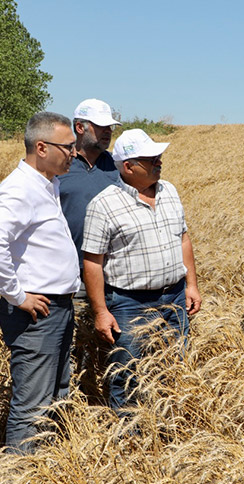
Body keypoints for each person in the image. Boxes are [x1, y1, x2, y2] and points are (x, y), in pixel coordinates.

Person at [0, 111, 82, 454]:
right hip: (37, 313)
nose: (75, 153)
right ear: (41, 147)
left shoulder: (47, 184)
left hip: (56, 307)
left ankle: (45, 467)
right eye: (68, 147)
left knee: (55, 395)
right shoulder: (20, 189)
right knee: (33, 404)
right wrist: (18, 296)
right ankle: (19, 475)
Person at [81, 129, 202, 411]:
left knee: (174, 370)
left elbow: (183, 239)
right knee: (127, 377)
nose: (159, 162)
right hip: (129, 304)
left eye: (158, 157)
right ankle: (131, 433)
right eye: (151, 159)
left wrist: (191, 285)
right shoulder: (103, 204)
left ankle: (168, 426)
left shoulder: (169, 191)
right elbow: (92, 261)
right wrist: (101, 312)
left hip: (174, 298)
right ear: (128, 166)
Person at [57, 98, 122, 254]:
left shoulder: (118, 165)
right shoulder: (58, 166)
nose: (108, 131)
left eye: (110, 126)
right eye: (101, 126)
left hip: (112, 264)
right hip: (69, 263)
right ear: (80, 127)